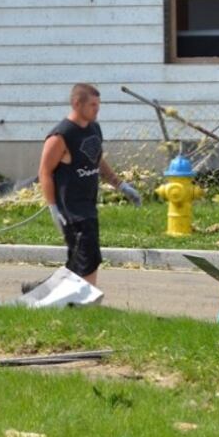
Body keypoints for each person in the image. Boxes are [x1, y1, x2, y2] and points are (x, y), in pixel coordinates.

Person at [38, 84, 142, 286]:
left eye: (98, 104)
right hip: (71, 207)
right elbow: (44, 172)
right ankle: (85, 302)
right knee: (88, 256)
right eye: (93, 105)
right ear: (77, 104)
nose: (97, 109)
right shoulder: (61, 136)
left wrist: (120, 185)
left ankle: (45, 292)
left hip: (89, 203)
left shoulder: (94, 129)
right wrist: (53, 208)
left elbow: (96, 158)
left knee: (80, 259)